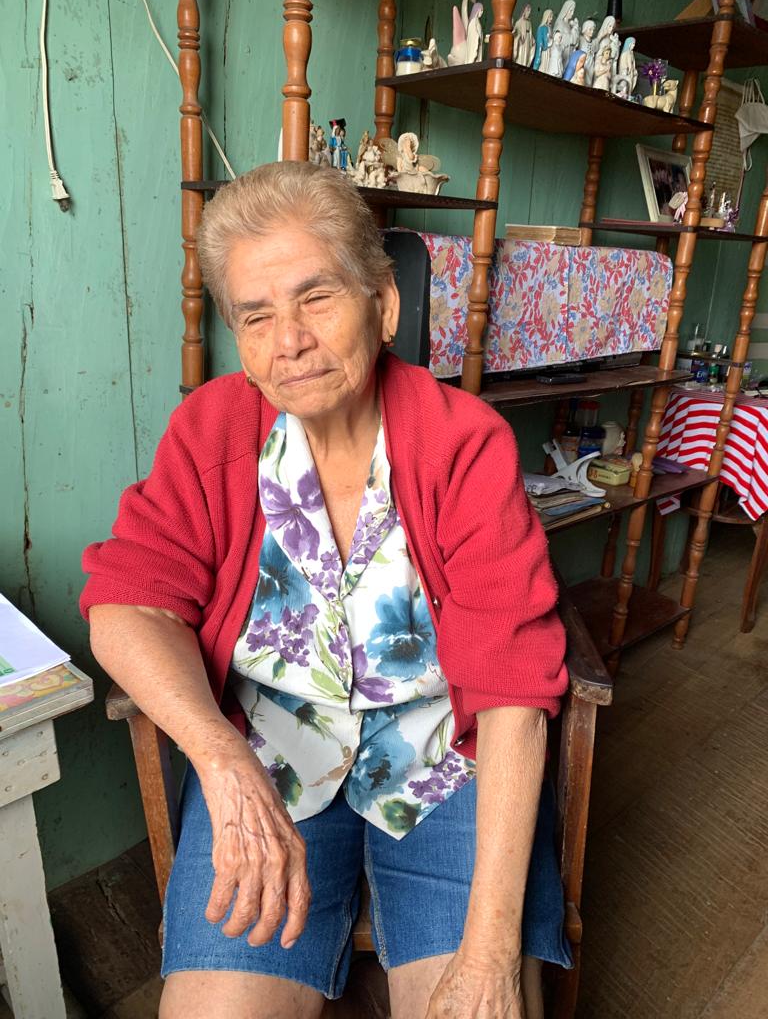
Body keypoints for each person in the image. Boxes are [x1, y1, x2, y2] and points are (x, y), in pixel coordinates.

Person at [81, 161, 571, 1019]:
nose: (289, 342)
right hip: (269, 758)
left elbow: (512, 689)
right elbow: (130, 602)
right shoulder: (213, 430)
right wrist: (219, 757)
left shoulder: (464, 445)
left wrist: (492, 956)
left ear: (383, 305)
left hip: (441, 765)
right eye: (256, 315)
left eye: (317, 298)